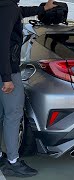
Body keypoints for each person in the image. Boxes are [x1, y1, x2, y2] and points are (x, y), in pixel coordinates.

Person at [0, 0, 56, 177]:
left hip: (3, 70)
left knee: (2, 114)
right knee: (13, 114)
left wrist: (42, 9)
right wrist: (7, 77)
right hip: (8, 70)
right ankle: (12, 161)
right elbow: (2, 42)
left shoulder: (6, 6)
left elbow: (20, 12)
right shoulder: (8, 7)